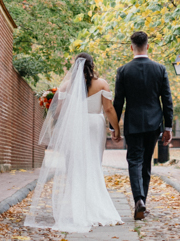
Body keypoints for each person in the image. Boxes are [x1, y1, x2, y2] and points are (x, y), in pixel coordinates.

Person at [24, 53, 124, 233]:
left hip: (75, 125)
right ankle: (94, 206)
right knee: (93, 163)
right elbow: (108, 109)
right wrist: (116, 129)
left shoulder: (66, 85)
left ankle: (76, 208)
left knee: (75, 166)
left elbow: (59, 110)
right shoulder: (102, 84)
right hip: (94, 125)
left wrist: (55, 118)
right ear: (92, 65)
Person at [113, 31, 174, 221]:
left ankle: (139, 199)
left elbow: (118, 102)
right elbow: (167, 100)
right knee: (146, 163)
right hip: (153, 123)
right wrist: (168, 127)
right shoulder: (160, 69)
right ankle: (142, 202)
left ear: (131, 47)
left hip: (133, 123)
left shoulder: (123, 71)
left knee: (134, 160)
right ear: (147, 46)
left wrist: (113, 127)